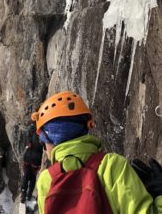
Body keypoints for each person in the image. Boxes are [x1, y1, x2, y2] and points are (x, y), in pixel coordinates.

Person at [31, 91, 162, 214]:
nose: (45, 150)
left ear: (53, 140)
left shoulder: (45, 180)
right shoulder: (112, 166)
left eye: (44, 143)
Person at [20, 122, 43, 203]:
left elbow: (27, 136)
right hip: (36, 160)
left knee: (26, 177)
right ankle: (29, 195)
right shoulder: (42, 133)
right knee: (32, 178)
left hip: (27, 157)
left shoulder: (31, 131)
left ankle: (23, 194)